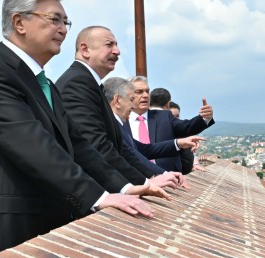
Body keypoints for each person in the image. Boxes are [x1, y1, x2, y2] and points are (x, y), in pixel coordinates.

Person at [0, 0, 164, 258]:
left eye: (66, 22)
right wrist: (99, 196)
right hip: (5, 227)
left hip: (41, 222)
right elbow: (35, 147)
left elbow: (80, 147)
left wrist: (125, 188)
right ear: (19, 22)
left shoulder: (46, 85)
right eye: (54, 19)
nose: (63, 29)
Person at [55, 26, 195, 190]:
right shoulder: (77, 83)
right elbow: (95, 145)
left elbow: (121, 148)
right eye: (109, 45)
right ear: (85, 49)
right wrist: (143, 183)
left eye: (116, 45)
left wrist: (155, 176)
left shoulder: (90, 83)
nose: (117, 51)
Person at [125, 77, 214, 174]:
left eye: (147, 91)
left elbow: (187, 127)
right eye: (139, 92)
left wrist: (204, 118)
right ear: (128, 95)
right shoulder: (120, 121)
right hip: (134, 177)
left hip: (168, 175)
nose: (145, 95)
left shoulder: (163, 116)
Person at [155, 95, 195, 175]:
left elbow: (188, 161)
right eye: (172, 117)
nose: (175, 120)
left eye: (177, 116)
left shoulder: (182, 134)